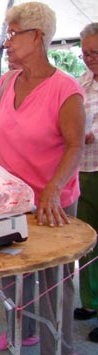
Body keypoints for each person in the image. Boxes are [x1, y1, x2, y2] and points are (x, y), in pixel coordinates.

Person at [0, 3, 85, 354]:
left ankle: (58, 347)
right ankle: (22, 331)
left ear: (37, 37)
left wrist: (53, 188)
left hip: (53, 203)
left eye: (13, 34)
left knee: (53, 284)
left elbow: (76, 144)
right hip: (9, 201)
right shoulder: (7, 81)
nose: (7, 42)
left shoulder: (66, 89)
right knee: (12, 276)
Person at [74, 22, 98, 344]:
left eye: (95, 52)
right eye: (85, 54)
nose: (90, 59)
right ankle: (90, 301)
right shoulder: (81, 83)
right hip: (83, 171)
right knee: (86, 242)